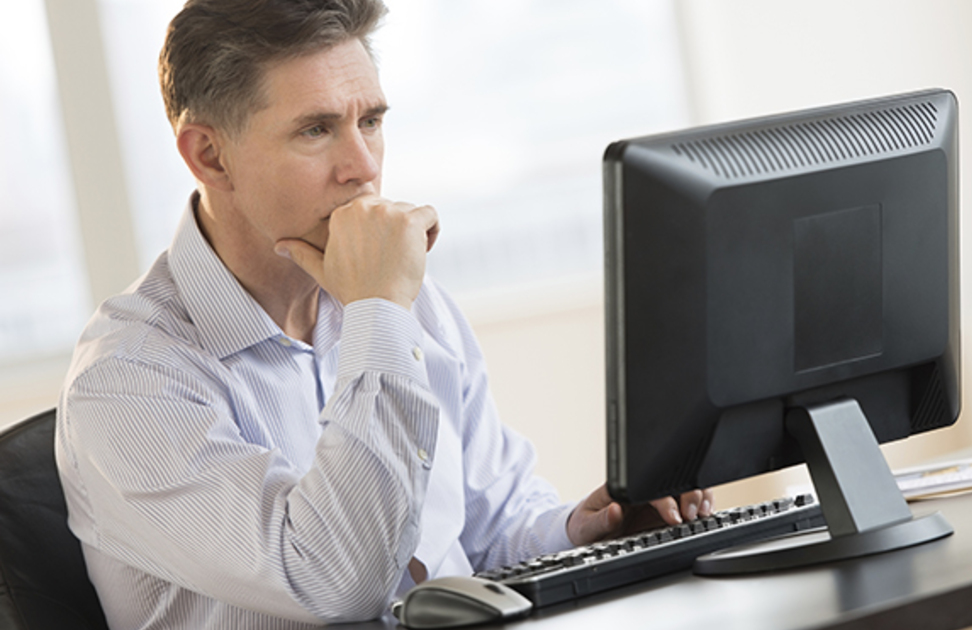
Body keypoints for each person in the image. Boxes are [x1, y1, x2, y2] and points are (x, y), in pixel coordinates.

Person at [56, 0, 713, 627]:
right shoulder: (127, 379)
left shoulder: (402, 300)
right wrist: (378, 314)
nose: (364, 167)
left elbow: (489, 528)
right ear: (209, 155)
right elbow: (333, 581)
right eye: (316, 130)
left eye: (370, 120)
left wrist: (584, 532)